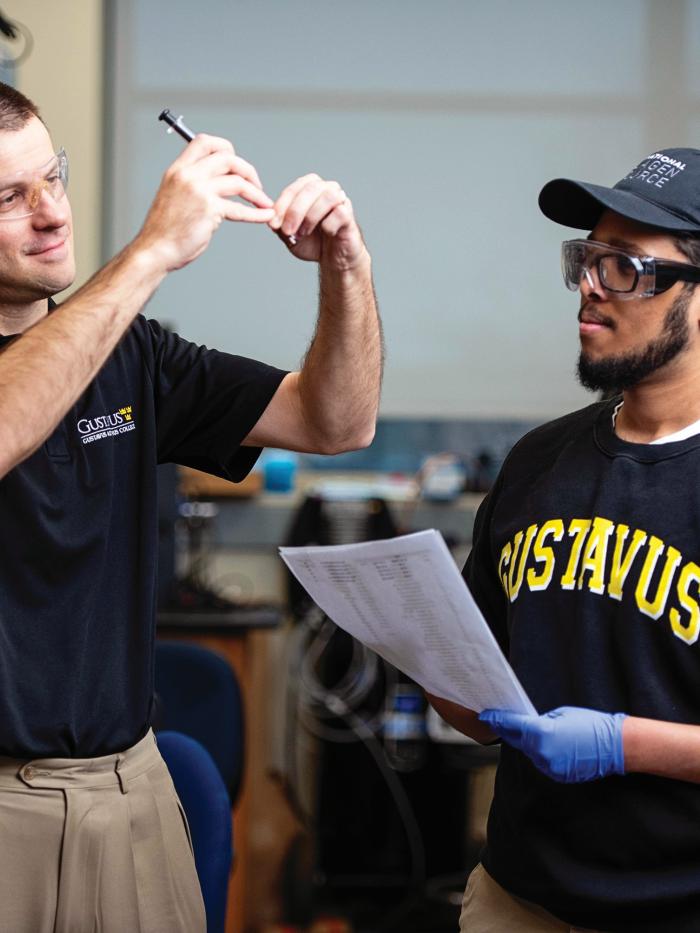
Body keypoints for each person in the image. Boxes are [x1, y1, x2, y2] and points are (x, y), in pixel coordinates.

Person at [0, 83, 381, 932]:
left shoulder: (130, 352)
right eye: (8, 197)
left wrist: (345, 269)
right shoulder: (121, 301)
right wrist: (149, 254)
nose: (50, 213)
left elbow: (337, 418)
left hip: (128, 792)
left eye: (51, 179)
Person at [427, 147, 700, 933]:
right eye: (587, 259)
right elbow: (479, 705)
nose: (588, 284)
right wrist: (408, 638)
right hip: (517, 899)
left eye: (626, 268)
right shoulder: (540, 460)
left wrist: (621, 744)